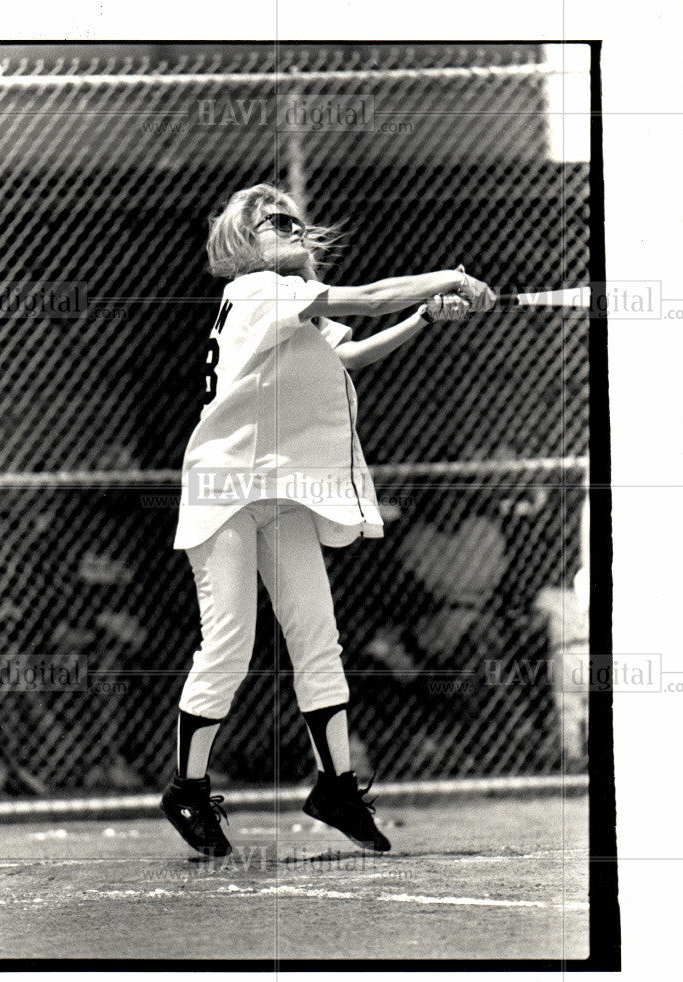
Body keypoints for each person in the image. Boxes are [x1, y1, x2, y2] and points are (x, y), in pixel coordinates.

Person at [161, 182, 496, 855]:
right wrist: (454, 276)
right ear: (243, 242)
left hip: (279, 484)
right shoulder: (259, 290)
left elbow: (345, 355)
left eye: (294, 220)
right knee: (229, 644)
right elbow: (368, 297)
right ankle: (187, 791)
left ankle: (336, 787)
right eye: (271, 221)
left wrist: (425, 318)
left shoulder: (291, 306)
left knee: (319, 635)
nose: (290, 226)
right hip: (226, 484)